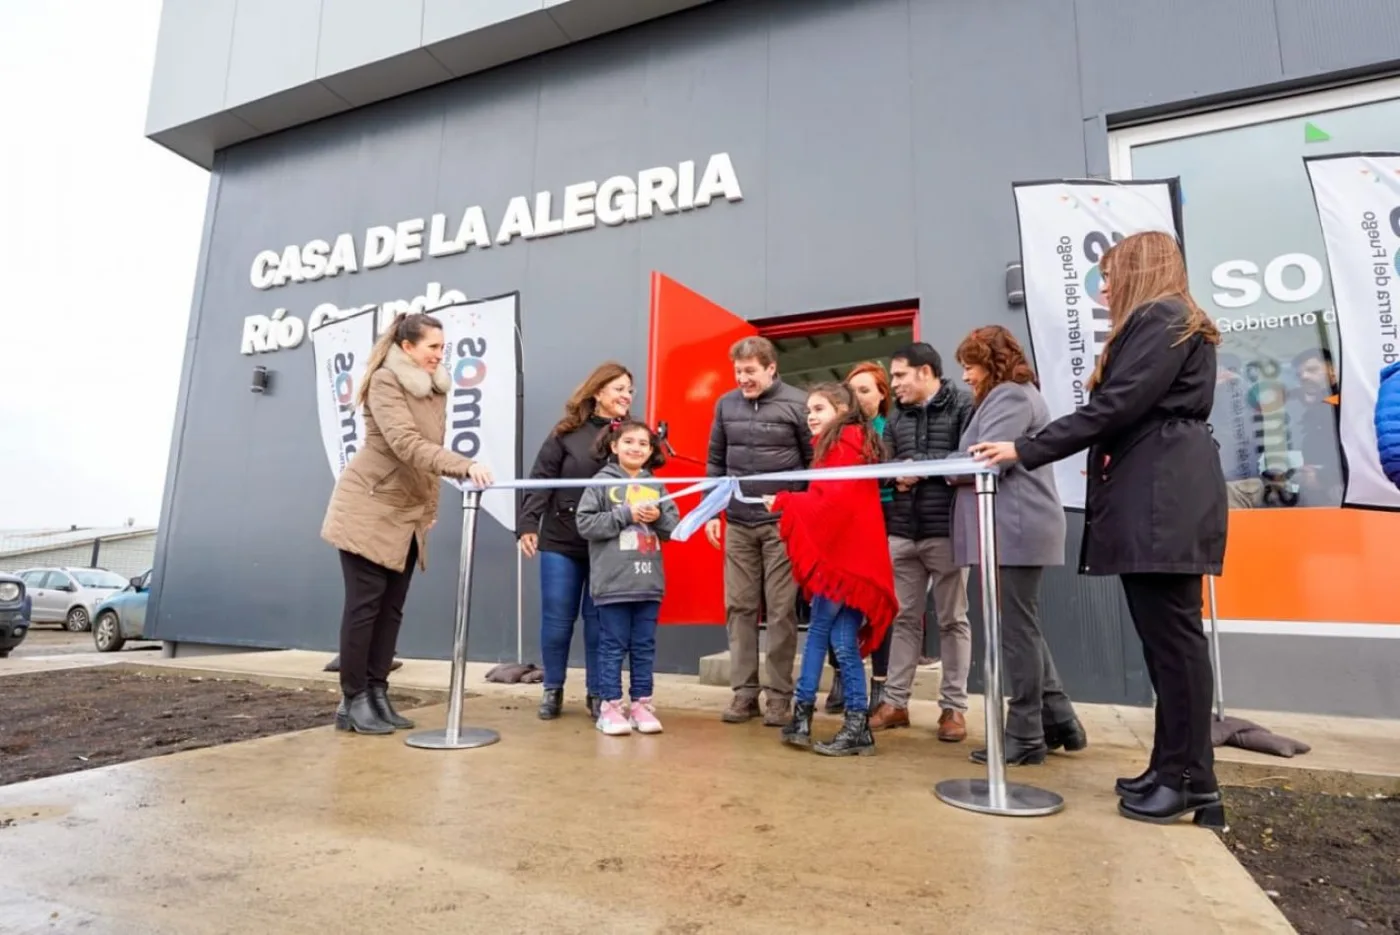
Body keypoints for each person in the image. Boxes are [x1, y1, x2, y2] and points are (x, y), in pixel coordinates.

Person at [971, 230, 1228, 827]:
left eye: (1110, 275)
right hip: (1163, 491)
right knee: (1167, 645)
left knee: (1173, 643)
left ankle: (1192, 779)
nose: (1104, 287)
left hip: (1163, 495)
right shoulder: (1173, 321)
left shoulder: (1162, 316)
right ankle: (1173, 767)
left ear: (1139, 270)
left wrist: (1025, 449)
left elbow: (1115, 407)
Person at [321, 312, 494, 735]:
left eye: (442, 346)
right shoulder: (385, 381)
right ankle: (353, 699)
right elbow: (406, 444)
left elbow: (427, 457)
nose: (440, 354)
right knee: (364, 608)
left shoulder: (435, 390)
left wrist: (429, 510)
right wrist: (465, 466)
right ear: (407, 347)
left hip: (407, 515)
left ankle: (377, 693)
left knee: (391, 611)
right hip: (369, 507)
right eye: (433, 346)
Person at [950, 326, 1086, 765]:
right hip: (1013, 526)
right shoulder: (1011, 394)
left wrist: (933, 466)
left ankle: (1025, 733)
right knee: (1021, 625)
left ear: (990, 363)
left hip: (1014, 526)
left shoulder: (1008, 394)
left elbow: (984, 459)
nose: (966, 376)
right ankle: (1059, 719)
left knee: (1015, 630)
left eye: (970, 366)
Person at [772, 383, 897, 756]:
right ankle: (840, 722)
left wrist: (785, 500)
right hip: (852, 559)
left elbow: (834, 501)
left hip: (846, 559)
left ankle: (810, 715)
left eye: (819, 408)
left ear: (841, 409)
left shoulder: (844, 442)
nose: (811, 415)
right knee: (834, 637)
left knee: (827, 635)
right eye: (809, 409)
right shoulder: (850, 441)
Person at [705, 336, 813, 727]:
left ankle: (779, 698)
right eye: (738, 372)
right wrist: (713, 513)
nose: (743, 379)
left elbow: (813, 464)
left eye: (750, 371)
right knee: (740, 608)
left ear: (771, 368)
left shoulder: (799, 403)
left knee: (783, 611)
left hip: (782, 524)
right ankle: (744, 694)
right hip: (736, 522)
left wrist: (796, 504)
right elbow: (716, 462)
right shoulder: (725, 404)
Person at [869, 343, 974, 741]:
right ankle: (895, 703)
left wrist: (919, 468)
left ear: (925, 371)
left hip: (947, 531)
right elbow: (882, 467)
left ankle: (953, 709)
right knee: (904, 618)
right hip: (902, 532)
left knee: (953, 620)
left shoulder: (964, 406)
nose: (893, 384)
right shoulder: (896, 419)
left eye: (898, 375)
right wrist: (897, 472)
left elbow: (967, 457)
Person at [519, 362, 634, 721]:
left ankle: (598, 694)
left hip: (608, 541)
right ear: (598, 392)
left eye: (630, 390)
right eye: (619, 389)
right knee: (557, 621)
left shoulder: (631, 434)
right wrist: (527, 524)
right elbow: (542, 478)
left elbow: (643, 478)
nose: (626, 396)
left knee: (600, 623)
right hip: (561, 539)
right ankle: (552, 689)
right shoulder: (566, 432)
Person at [575, 420, 680, 736]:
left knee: (644, 645)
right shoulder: (600, 483)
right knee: (612, 645)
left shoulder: (657, 486)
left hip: (649, 583)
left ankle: (641, 704)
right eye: (629, 442)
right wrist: (627, 515)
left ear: (651, 451)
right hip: (613, 583)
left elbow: (674, 528)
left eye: (644, 444)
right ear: (614, 446)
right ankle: (609, 706)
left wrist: (659, 517)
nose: (636, 448)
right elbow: (585, 524)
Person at [821, 361, 894, 715]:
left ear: (883, 394)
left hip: (885, 519)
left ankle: (880, 685)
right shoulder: (834, 433)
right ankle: (840, 678)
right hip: (842, 525)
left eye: (865, 390)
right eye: (853, 391)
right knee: (838, 600)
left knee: (877, 604)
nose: (858, 397)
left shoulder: (889, 428)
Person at [1292, 347, 1342, 506]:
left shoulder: (1349, 403)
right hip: (1319, 494)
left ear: (1333, 370)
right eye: (1299, 375)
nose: (1304, 377)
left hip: (1341, 492)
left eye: (1312, 370)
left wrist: (1324, 477)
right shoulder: (1318, 407)